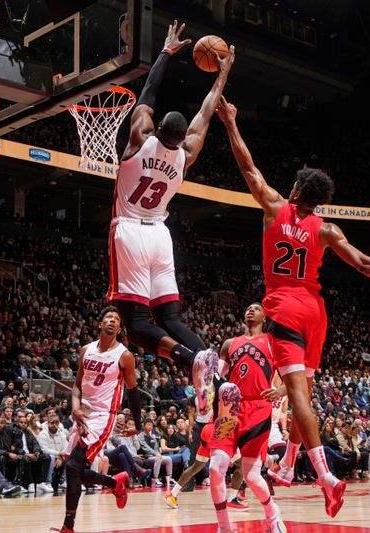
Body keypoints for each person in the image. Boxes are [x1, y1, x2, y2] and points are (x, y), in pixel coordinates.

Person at [215, 97, 370, 518]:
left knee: (298, 394)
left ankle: (325, 475)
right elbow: (365, 265)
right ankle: (286, 465)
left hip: (283, 304)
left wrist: (231, 122)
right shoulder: (327, 229)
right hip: (316, 310)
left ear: (298, 191)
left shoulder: (273, 207)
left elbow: (247, 166)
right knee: (307, 388)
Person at [108, 21, 235, 416]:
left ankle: (188, 359)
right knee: (171, 316)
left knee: (137, 326)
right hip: (161, 234)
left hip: (129, 230)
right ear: (181, 138)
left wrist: (165, 51)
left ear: (158, 127)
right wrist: (224, 71)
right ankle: (215, 372)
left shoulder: (140, 137)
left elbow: (147, 94)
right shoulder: (187, 154)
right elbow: (208, 108)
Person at [54, 307, 140, 533]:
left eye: (116, 319)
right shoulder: (86, 350)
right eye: (108, 318)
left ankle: (68, 527)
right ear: (100, 324)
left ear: (119, 329)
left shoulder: (125, 356)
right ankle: (115, 482)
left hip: (104, 416)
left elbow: (133, 391)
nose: (112, 321)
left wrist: (138, 424)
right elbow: (76, 385)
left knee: (73, 466)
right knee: (74, 471)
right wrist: (75, 408)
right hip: (83, 413)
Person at [207, 303, 287, 533]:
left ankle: (272, 513)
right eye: (249, 308)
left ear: (264, 317)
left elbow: (291, 379)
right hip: (229, 407)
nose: (251, 310)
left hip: (258, 408)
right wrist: (206, 390)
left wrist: (279, 391)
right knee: (215, 467)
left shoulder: (273, 343)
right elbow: (217, 378)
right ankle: (224, 526)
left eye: (257, 308)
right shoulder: (230, 344)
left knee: (251, 475)